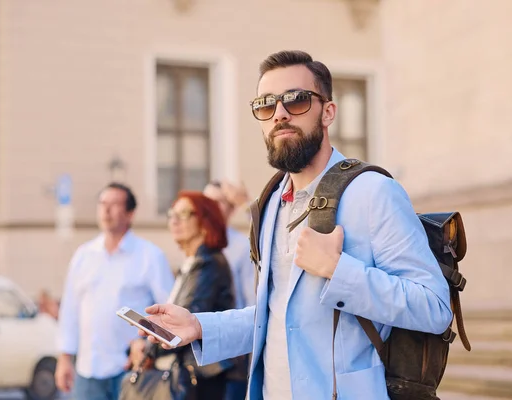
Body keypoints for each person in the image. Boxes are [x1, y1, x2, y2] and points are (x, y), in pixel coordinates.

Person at [138, 50, 453, 400]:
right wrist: (200, 326)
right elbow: (276, 316)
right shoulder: (270, 201)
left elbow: (434, 308)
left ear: (328, 111)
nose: (280, 114)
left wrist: (337, 270)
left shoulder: (374, 192)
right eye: (266, 105)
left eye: (297, 100)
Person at [55, 182, 175, 400]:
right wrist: (64, 357)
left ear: (130, 214)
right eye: (102, 204)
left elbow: (167, 313)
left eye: (114, 204)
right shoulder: (84, 256)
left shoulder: (150, 256)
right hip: (88, 369)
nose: (106, 210)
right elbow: (70, 310)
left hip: (132, 368)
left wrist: (148, 348)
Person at [128, 191, 235, 400]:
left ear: (205, 221)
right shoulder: (192, 264)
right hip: (195, 374)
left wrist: (148, 348)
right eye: (171, 213)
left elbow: (185, 319)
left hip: (203, 378)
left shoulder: (208, 263)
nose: (174, 220)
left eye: (185, 213)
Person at [203, 181, 254, 400]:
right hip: (201, 350)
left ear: (231, 209)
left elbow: (251, 298)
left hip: (232, 353)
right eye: (206, 201)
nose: (210, 207)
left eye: (218, 202)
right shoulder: (196, 243)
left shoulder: (242, 246)